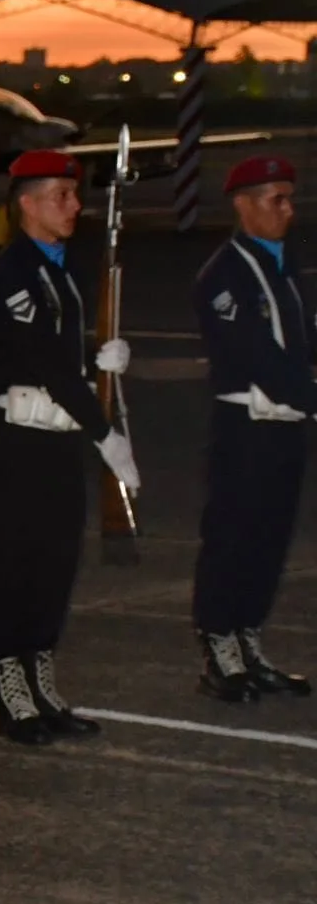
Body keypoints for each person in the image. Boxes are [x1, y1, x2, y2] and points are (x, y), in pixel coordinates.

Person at [0, 150, 141, 744]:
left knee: (54, 568)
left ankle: (42, 684)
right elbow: (44, 360)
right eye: (60, 195)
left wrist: (101, 359)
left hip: (58, 444)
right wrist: (106, 433)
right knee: (15, 567)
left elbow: (64, 359)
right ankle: (10, 694)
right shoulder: (12, 273)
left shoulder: (62, 269)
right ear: (27, 204)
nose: (75, 206)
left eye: (74, 195)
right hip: (21, 445)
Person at [191, 155, 314, 701]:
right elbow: (257, 356)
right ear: (243, 205)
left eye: (289, 197)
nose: (288, 209)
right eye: (275, 199)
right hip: (246, 427)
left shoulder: (288, 267)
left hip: (286, 427)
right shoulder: (224, 275)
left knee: (270, 539)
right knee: (233, 538)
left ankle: (248, 641)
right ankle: (219, 650)